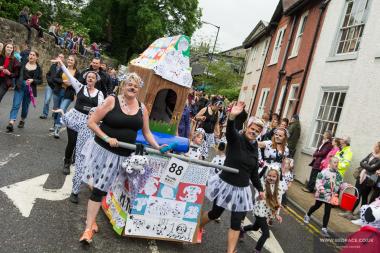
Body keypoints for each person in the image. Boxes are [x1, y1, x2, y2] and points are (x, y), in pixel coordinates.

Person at [78, 72, 165, 244]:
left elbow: (147, 133)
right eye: (129, 84)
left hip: (124, 156)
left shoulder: (142, 108)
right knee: (99, 189)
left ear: (139, 89)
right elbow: (92, 123)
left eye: (135, 85)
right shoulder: (112, 101)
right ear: (123, 86)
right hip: (103, 151)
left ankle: (92, 218)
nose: (132, 87)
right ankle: (88, 229)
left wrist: (157, 146)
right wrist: (107, 138)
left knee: (105, 187)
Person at [200, 101, 264, 253]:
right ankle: (197, 227)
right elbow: (230, 131)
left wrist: (260, 189)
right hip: (225, 185)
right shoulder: (237, 139)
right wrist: (232, 117)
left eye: (257, 131)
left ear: (259, 134)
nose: (253, 132)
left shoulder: (255, 148)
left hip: (242, 190)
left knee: (236, 222)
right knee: (215, 213)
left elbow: (254, 172)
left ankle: (230, 251)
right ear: (247, 128)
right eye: (252, 128)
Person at [50, 57, 105, 203]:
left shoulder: (100, 94)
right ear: (86, 79)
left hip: (88, 124)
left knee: (81, 155)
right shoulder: (79, 87)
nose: (90, 79)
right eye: (88, 77)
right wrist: (61, 64)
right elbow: (68, 75)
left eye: (93, 77)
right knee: (71, 143)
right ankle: (67, 161)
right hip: (74, 119)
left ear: (96, 80)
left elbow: (100, 110)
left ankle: (75, 191)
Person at [240, 168, 284, 252]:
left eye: (274, 176)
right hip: (259, 210)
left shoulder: (279, 188)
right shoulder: (262, 184)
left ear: (277, 177)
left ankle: (242, 230)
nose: (271, 178)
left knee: (255, 227)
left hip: (267, 212)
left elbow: (278, 201)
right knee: (266, 234)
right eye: (269, 175)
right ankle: (257, 250)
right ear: (266, 175)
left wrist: (277, 214)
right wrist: (259, 197)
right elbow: (256, 195)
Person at [304, 157, 343, 237]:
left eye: (337, 163)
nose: (336, 164)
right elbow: (318, 180)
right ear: (330, 163)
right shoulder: (324, 171)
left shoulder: (338, 174)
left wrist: (345, 185)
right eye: (335, 162)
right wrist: (321, 188)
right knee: (316, 206)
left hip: (330, 196)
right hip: (322, 194)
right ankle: (307, 215)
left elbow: (340, 183)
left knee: (327, 211)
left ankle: (324, 228)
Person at [340, 141, 380, 220]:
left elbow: (372, 168)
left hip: (370, 179)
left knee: (364, 197)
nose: (374, 147)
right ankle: (349, 212)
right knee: (357, 194)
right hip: (361, 176)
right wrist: (368, 166)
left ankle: (360, 215)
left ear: (379, 148)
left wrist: (366, 165)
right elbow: (361, 162)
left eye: (376, 146)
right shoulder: (371, 154)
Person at [6, 50, 42, 132]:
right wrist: (10, 75)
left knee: (25, 107)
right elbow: (16, 72)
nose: (31, 56)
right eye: (30, 54)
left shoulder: (38, 68)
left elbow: (40, 80)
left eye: (33, 55)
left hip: (30, 89)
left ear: (36, 57)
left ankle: (22, 119)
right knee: (16, 104)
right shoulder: (23, 63)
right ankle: (11, 122)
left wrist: (33, 80)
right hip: (20, 86)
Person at [51, 55, 80, 138]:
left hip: (69, 93)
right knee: (56, 109)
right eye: (69, 59)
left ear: (75, 62)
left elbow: (78, 84)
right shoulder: (62, 68)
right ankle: (54, 125)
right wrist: (63, 81)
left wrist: (71, 84)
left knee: (62, 109)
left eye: (72, 60)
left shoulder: (77, 72)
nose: (69, 61)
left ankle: (57, 128)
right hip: (58, 91)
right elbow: (55, 78)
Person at [39, 53, 64, 119]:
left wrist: (56, 80)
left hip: (57, 87)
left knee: (56, 103)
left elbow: (63, 79)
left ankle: (54, 113)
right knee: (47, 100)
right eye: (59, 57)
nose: (60, 58)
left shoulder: (64, 68)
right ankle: (44, 114)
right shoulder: (53, 66)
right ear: (57, 58)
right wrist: (50, 81)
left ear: (63, 59)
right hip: (50, 85)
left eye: (62, 57)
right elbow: (48, 74)